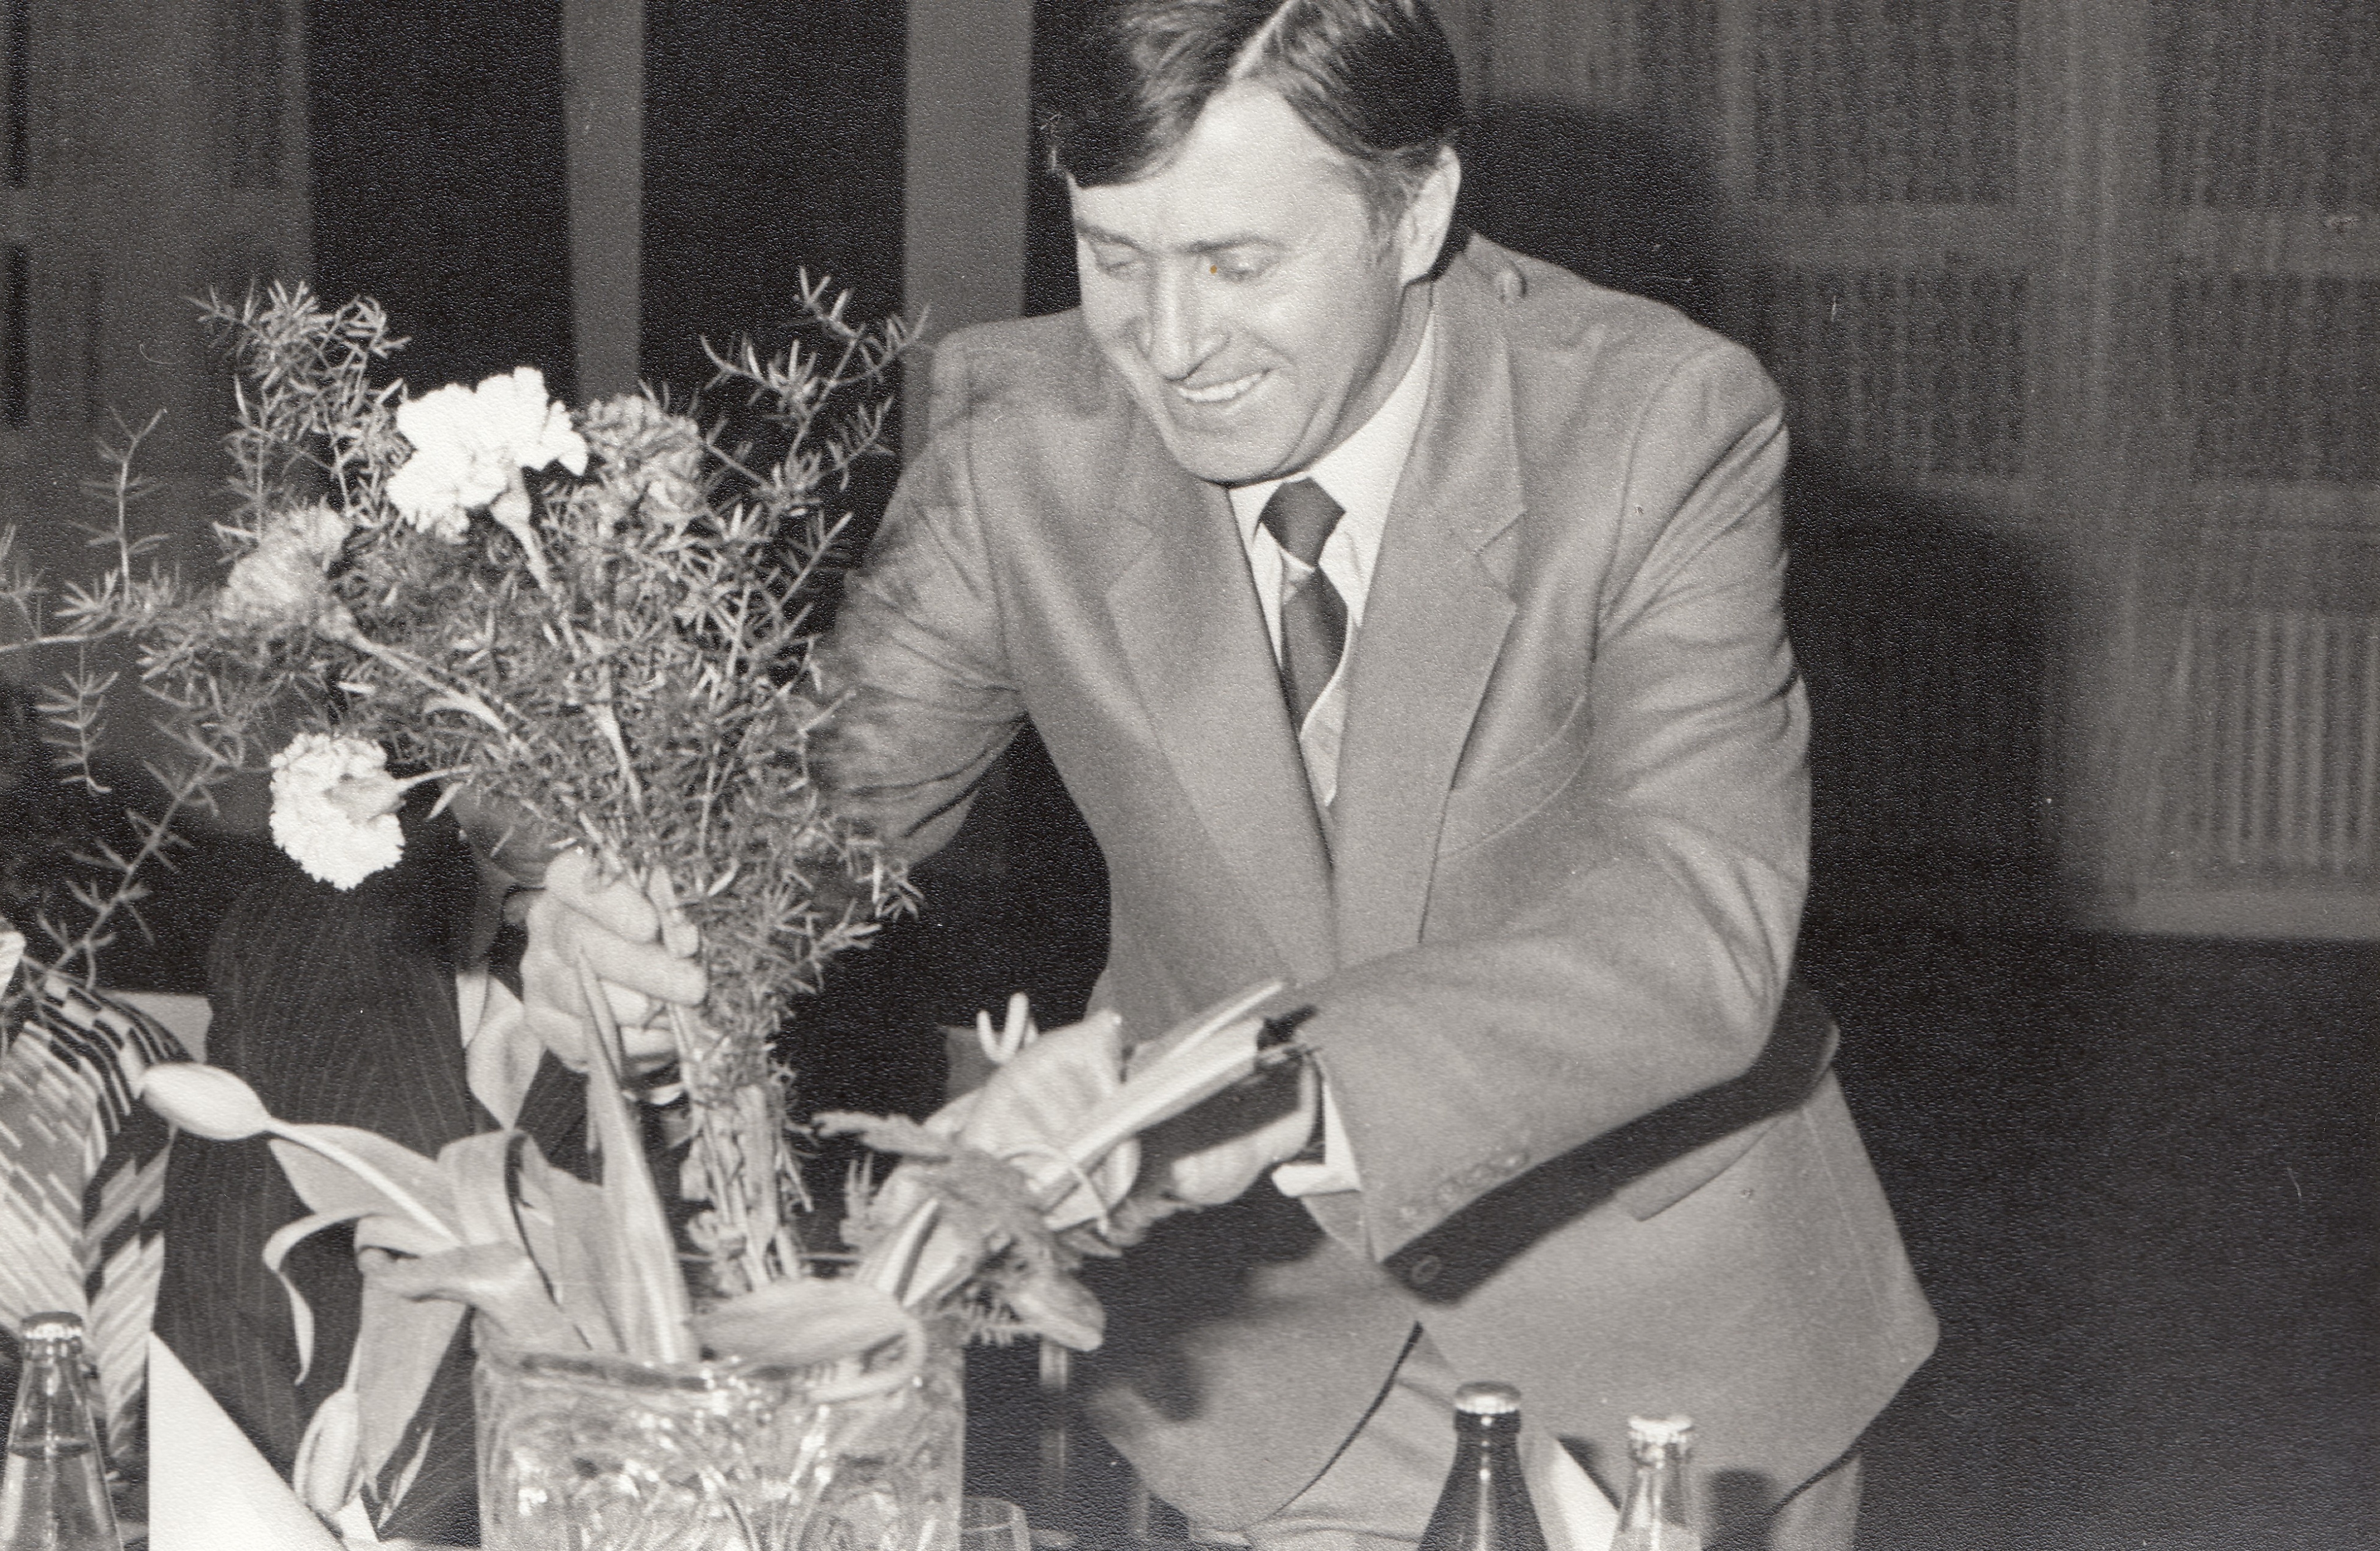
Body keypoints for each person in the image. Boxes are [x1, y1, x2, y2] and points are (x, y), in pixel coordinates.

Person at [549, 2, 1937, 1546]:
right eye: (1113, 255)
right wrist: (640, 937)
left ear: (1417, 212)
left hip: (1661, 1346)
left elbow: (1698, 926)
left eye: (1238, 263)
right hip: (1270, 1370)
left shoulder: (1653, 421)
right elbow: (794, 834)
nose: (1168, 344)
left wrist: (1274, 1087)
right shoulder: (1024, 446)